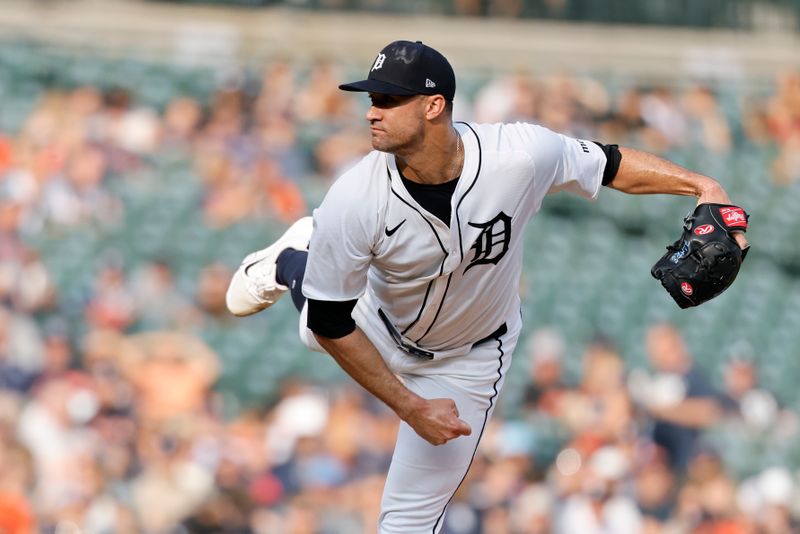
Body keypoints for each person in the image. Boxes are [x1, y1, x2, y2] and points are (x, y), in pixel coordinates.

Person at [225, 40, 748, 532]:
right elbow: (330, 321)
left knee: (407, 520)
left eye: (387, 98)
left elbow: (608, 164)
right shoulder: (356, 196)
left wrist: (703, 185)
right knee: (316, 321)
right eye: (371, 98)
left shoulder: (518, 155)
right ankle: (290, 260)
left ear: (433, 106)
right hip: (374, 321)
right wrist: (408, 405)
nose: (371, 110)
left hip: (469, 357)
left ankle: (304, 255)